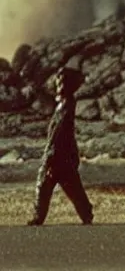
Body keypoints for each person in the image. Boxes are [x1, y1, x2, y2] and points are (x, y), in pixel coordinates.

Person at [27, 65, 93, 226]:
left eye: (62, 81)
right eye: (59, 81)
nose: (59, 84)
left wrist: (50, 155)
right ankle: (86, 213)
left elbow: (59, 133)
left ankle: (40, 217)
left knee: (46, 183)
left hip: (58, 155)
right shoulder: (63, 104)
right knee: (69, 185)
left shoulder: (66, 105)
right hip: (62, 155)